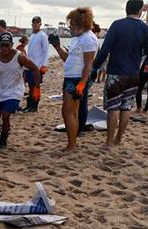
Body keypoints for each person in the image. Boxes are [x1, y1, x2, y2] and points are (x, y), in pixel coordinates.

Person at [91, 0, 148, 148]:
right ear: (140, 11)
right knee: (126, 107)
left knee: (113, 108)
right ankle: (118, 140)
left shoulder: (117, 25)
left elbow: (104, 50)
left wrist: (94, 67)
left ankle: (109, 142)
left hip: (116, 73)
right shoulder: (145, 29)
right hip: (134, 74)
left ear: (126, 9)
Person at [52, 7, 96, 152]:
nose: (70, 26)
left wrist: (82, 84)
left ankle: (71, 145)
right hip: (72, 77)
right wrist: (57, 47)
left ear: (79, 24)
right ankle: (72, 143)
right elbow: (68, 59)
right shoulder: (78, 38)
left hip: (77, 79)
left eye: (71, 24)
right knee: (72, 112)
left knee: (67, 112)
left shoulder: (89, 39)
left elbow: (89, 64)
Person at [0, 32, 39, 149]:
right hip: (0, 90)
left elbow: (34, 68)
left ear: (12, 45)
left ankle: (3, 141)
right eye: (2, 45)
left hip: (15, 90)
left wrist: (36, 89)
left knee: (5, 115)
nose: (4, 48)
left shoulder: (20, 57)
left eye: (7, 45)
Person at [23, 16, 49, 112]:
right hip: (30, 65)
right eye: (33, 22)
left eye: (37, 22)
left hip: (38, 66)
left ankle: (34, 106)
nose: (35, 24)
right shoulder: (33, 36)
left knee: (36, 86)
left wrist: (44, 65)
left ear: (40, 24)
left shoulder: (43, 36)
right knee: (30, 85)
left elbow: (46, 51)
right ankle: (29, 105)